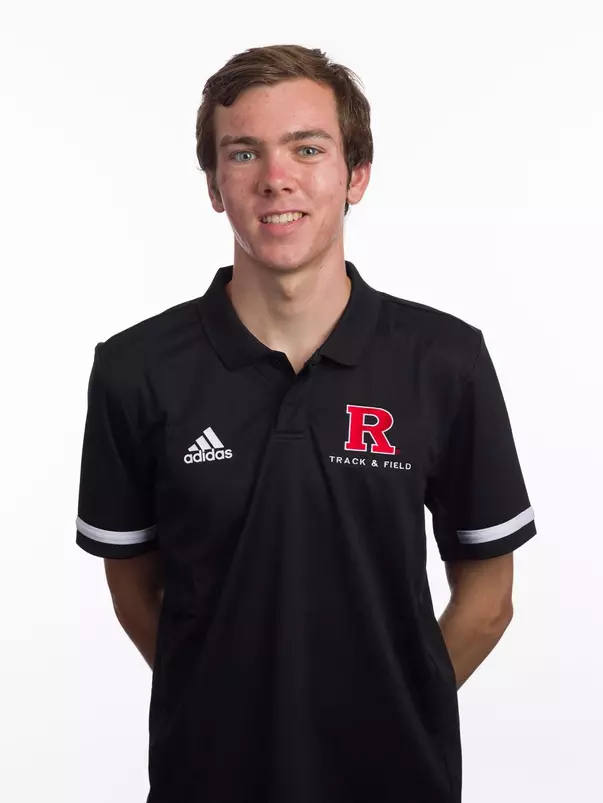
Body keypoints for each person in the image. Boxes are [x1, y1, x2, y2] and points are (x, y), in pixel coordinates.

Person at [75, 44, 537, 803]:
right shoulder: (135, 369)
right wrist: (229, 704)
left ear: (356, 175)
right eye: (243, 152)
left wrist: (391, 713)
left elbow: (488, 597)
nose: (275, 177)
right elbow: (135, 594)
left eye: (308, 148)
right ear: (214, 185)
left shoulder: (443, 360)